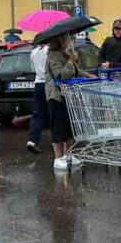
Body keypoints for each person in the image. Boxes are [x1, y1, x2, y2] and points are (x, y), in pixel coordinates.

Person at [45, 33, 82, 170]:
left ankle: (69, 154)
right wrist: (71, 61)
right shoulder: (53, 56)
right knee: (58, 127)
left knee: (69, 127)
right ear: (60, 40)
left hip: (68, 96)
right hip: (56, 96)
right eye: (67, 39)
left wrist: (88, 75)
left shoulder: (64, 54)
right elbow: (60, 75)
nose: (69, 41)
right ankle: (58, 157)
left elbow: (75, 71)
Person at [27, 43, 50, 154]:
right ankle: (57, 140)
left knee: (38, 113)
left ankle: (32, 140)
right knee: (53, 112)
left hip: (38, 83)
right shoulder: (49, 50)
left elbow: (33, 68)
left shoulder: (33, 52)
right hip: (49, 83)